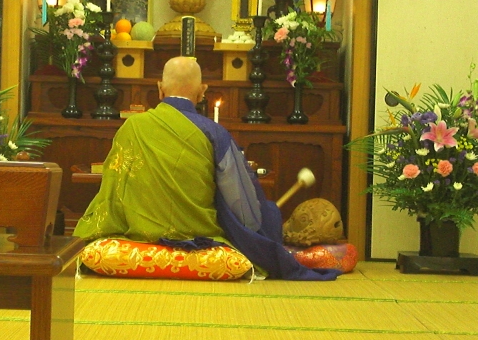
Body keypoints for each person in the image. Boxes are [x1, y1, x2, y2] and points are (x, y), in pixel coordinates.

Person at [73, 57, 340, 281]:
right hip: (197, 236)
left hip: (136, 232)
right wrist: (265, 221)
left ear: (160, 89)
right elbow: (241, 206)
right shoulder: (213, 132)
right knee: (267, 212)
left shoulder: (131, 127)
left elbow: (111, 190)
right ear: (202, 91)